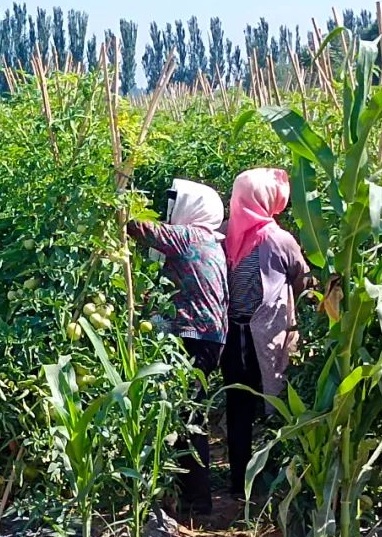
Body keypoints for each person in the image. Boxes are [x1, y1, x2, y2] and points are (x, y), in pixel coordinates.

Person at [127, 178, 228, 515]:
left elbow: (139, 228)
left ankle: (196, 501)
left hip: (194, 336)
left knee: (186, 415)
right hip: (208, 338)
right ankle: (190, 496)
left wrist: (116, 204)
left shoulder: (191, 236)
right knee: (187, 412)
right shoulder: (211, 240)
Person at [222, 167, 310, 500]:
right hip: (268, 340)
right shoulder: (279, 239)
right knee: (277, 407)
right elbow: (300, 278)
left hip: (233, 340)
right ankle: (275, 482)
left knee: (238, 411)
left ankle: (239, 484)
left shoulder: (227, 233)